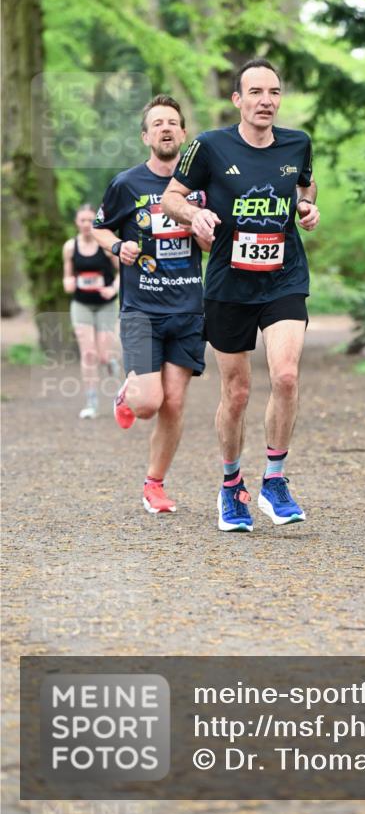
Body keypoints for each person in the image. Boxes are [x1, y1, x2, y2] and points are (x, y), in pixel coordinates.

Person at [162, 59, 320, 533]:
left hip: (283, 276)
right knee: (237, 392)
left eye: (273, 92)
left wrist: (309, 208)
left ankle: (274, 478)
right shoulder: (209, 146)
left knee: (287, 376)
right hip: (230, 283)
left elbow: (305, 189)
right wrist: (194, 217)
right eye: (255, 92)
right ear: (238, 100)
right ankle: (231, 486)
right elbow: (172, 196)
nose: (265, 100)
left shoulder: (297, 143)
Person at [93, 95, 210, 515]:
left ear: (182, 134)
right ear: (146, 136)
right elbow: (100, 229)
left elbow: (209, 240)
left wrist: (203, 232)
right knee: (148, 405)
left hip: (187, 309)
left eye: (172, 123)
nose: (165, 128)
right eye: (157, 123)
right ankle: (129, 394)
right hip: (142, 310)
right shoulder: (127, 184)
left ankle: (154, 484)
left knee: (174, 403)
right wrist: (119, 245)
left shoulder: (199, 188)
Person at [62, 204, 120, 419]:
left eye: (90, 220)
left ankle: (111, 363)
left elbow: (123, 272)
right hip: (81, 304)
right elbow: (67, 274)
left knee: (103, 355)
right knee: (88, 354)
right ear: (76, 223)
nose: (86, 224)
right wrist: (68, 282)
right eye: (82, 220)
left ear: (95, 221)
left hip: (105, 304)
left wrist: (112, 288)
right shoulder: (70, 247)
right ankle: (92, 403)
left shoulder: (105, 245)